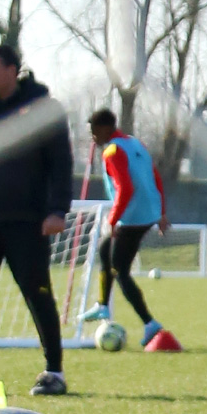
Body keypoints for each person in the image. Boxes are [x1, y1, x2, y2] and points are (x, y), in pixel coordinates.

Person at [0, 45, 74, 395]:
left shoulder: (43, 110)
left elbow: (61, 164)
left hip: (27, 220)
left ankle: (54, 371)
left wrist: (57, 210)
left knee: (38, 294)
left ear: (12, 70)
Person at [82, 107, 169, 347]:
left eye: (93, 131)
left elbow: (126, 189)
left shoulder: (112, 151)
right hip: (148, 212)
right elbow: (156, 178)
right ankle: (102, 306)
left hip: (132, 217)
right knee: (104, 251)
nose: (92, 137)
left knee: (120, 270)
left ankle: (150, 324)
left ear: (103, 129)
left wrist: (112, 220)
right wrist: (161, 212)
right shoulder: (134, 143)